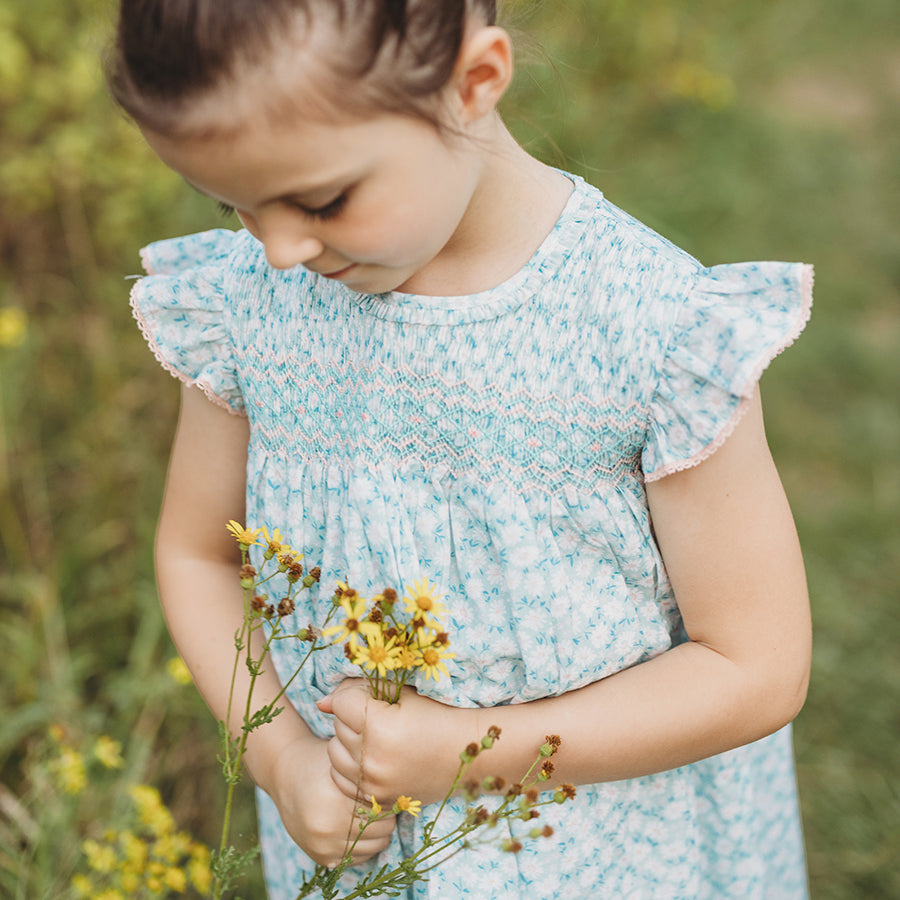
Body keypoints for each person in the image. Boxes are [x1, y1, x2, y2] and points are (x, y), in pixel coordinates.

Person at [110, 1, 813, 897]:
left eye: (323, 199)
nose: (281, 248)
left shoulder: (650, 329)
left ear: (472, 83)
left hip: (615, 855)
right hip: (362, 853)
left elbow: (755, 667)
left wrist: (465, 756)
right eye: (234, 204)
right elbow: (197, 553)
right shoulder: (247, 306)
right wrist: (283, 760)